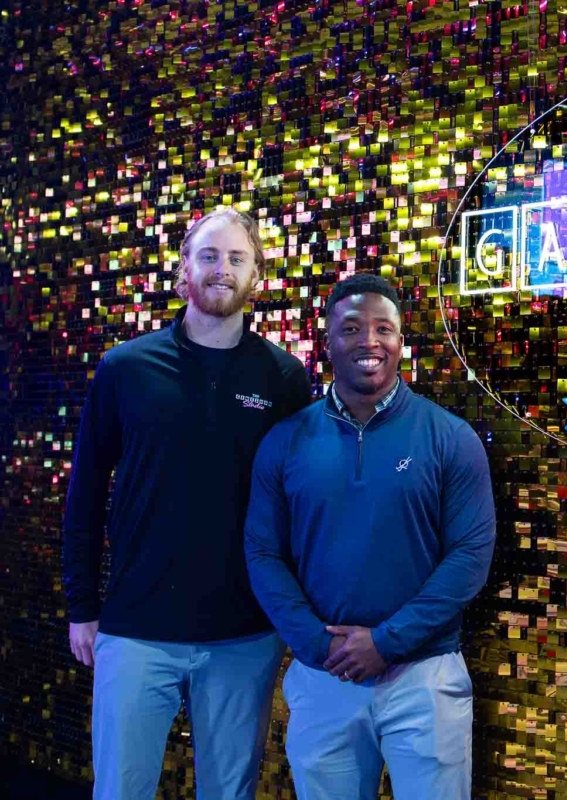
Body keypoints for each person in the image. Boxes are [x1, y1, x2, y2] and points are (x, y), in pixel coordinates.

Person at [62, 207, 313, 800]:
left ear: (257, 276)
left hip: (243, 632)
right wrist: (81, 604)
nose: (221, 270)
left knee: (229, 792)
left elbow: (302, 504)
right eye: (209, 255)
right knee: (121, 789)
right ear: (184, 270)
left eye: (236, 258)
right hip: (135, 628)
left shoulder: (283, 379)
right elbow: (87, 491)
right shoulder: (126, 369)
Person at [244, 273, 496, 800]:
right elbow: (263, 553)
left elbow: (470, 557)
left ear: (401, 341)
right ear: (328, 341)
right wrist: (316, 644)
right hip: (323, 676)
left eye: (385, 328)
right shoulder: (284, 442)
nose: (370, 342)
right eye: (352, 328)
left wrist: (386, 642)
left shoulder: (450, 437)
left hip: (424, 677)